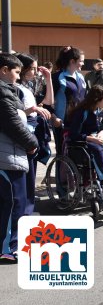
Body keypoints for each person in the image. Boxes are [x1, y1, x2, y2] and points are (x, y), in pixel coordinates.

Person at [0, 53, 39, 263]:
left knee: (11, 202)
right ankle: (9, 247)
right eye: (16, 71)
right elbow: (13, 124)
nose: (18, 76)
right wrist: (32, 143)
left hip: (11, 155)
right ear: (4, 70)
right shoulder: (2, 93)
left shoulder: (8, 91)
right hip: (6, 157)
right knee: (14, 203)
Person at [14, 53, 54, 216]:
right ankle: (24, 212)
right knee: (26, 173)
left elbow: (48, 101)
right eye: (33, 69)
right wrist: (33, 109)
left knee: (31, 172)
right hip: (25, 131)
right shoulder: (15, 88)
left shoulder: (29, 87)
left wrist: (48, 78)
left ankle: (28, 209)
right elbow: (14, 113)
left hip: (34, 130)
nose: (36, 72)